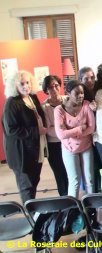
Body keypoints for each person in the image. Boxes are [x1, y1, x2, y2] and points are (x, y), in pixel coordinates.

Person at [2, 70, 46, 203]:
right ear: (14, 86)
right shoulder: (11, 103)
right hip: (21, 152)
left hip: (34, 149)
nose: (26, 86)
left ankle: (32, 207)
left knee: (34, 180)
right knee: (26, 185)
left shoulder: (32, 97)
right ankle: (31, 214)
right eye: (22, 83)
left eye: (28, 82)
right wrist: (36, 131)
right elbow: (11, 130)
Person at [54, 80, 96, 198]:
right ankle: (73, 209)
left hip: (86, 147)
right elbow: (61, 134)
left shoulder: (86, 105)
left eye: (82, 93)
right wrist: (80, 129)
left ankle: (91, 207)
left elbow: (91, 128)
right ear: (68, 93)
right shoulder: (59, 110)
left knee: (89, 179)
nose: (80, 96)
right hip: (69, 149)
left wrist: (71, 132)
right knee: (75, 181)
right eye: (77, 93)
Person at [41, 75, 69, 196]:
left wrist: (65, 130)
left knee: (70, 172)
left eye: (56, 85)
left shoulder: (67, 100)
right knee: (60, 174)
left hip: (69, 143)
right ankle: (64, 199)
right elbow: (48, 129)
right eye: (50, 87)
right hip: (54, 145)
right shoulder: (44, 106)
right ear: (46, 89)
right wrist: (65, 131)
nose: (54, 89)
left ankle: (73, 198)